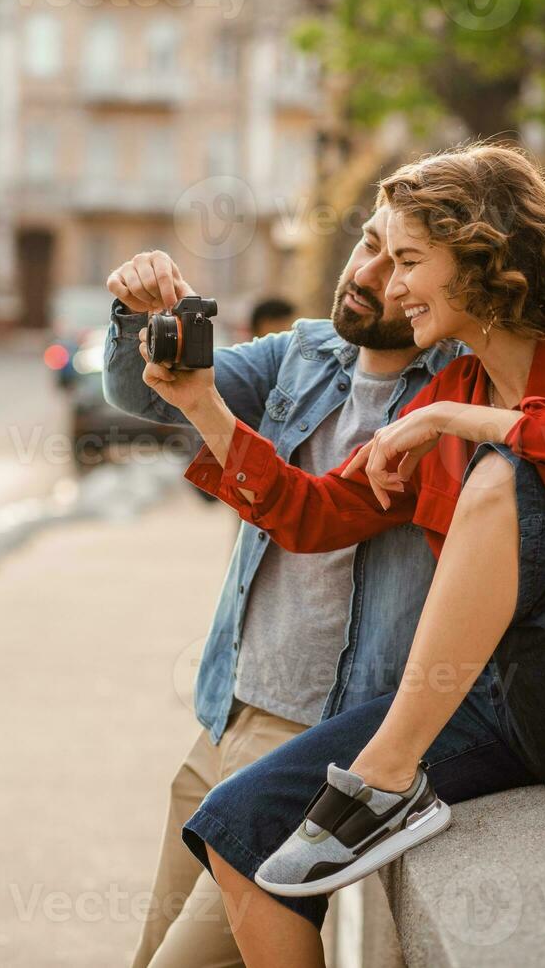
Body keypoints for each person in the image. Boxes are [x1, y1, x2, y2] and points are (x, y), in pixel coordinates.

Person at [136, 142, 545, 967]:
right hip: (490, 700)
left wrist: (454, 427)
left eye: (408, 260)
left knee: (507, 478)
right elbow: (318, 512)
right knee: (238, 831)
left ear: (481, 259)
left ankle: (388, 779)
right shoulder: (451, 391)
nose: (391, 285)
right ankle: (382, 780)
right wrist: (205, 409)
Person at [101, 209, 466, 968]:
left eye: (401, 264)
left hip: (319, 742)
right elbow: (142, 396)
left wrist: (204, 406)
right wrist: (135, 319)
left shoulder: (454, 399)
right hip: (228, 713)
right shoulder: (304, 352)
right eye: (369, 243)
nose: (367, 274)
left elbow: (312, 512)